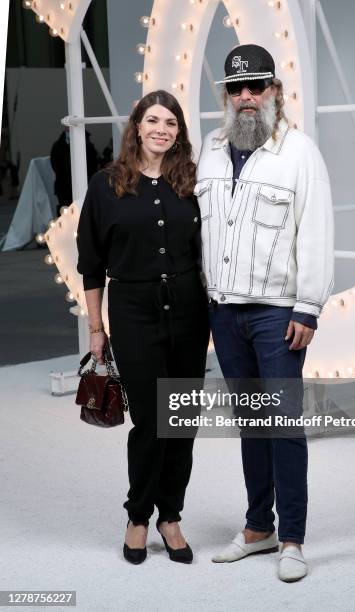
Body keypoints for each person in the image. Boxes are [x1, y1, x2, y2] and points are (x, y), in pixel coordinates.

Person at [195, 44, 334, 581]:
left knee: (283, 425)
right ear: (226, 98)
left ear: (275, 92)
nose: (246, 97)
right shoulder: (209, 150)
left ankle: (293, 538)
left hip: (278, 314)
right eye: (237, 89)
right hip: (225, 312)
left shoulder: (300, 153)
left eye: (257, 86)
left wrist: (309, 307)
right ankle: (259, 527)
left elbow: (316, 231)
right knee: (251, 424)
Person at [76, 90, 210, 565]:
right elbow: (90, 264)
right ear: (136, 126)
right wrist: (96, 329)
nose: (161, 129)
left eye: (171, 123)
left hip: (191, 311)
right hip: (132, 311)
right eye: (153, 120)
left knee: (182, 422)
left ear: (179, 133)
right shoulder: (105, 185)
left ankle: (170, 516)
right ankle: (138, 516)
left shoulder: (191, 182)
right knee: (152, 421)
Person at [51, 128, 98, 216]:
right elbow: (55, 165)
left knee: (84, 213)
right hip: (64, 188)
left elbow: (93, 166)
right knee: (66, 214)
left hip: (84, 185)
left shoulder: (88, 145)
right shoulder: (57, 146)